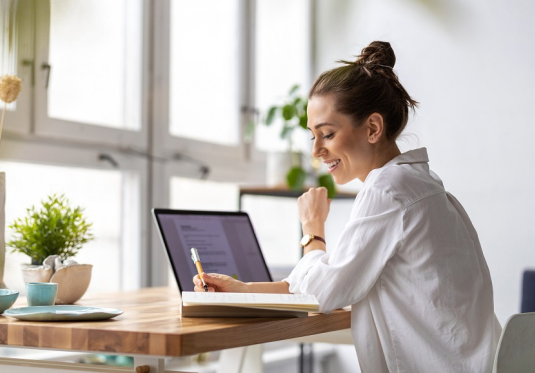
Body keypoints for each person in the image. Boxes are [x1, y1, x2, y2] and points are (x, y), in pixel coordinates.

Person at [193, 41, 501, 372]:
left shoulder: (387, 192)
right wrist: (244, 290)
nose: (316, 151)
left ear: (372, 128)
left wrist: (312, 231)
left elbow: (322, 294)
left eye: (326, 134)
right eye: (312, 136)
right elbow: (330, 277)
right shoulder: (421, 185)